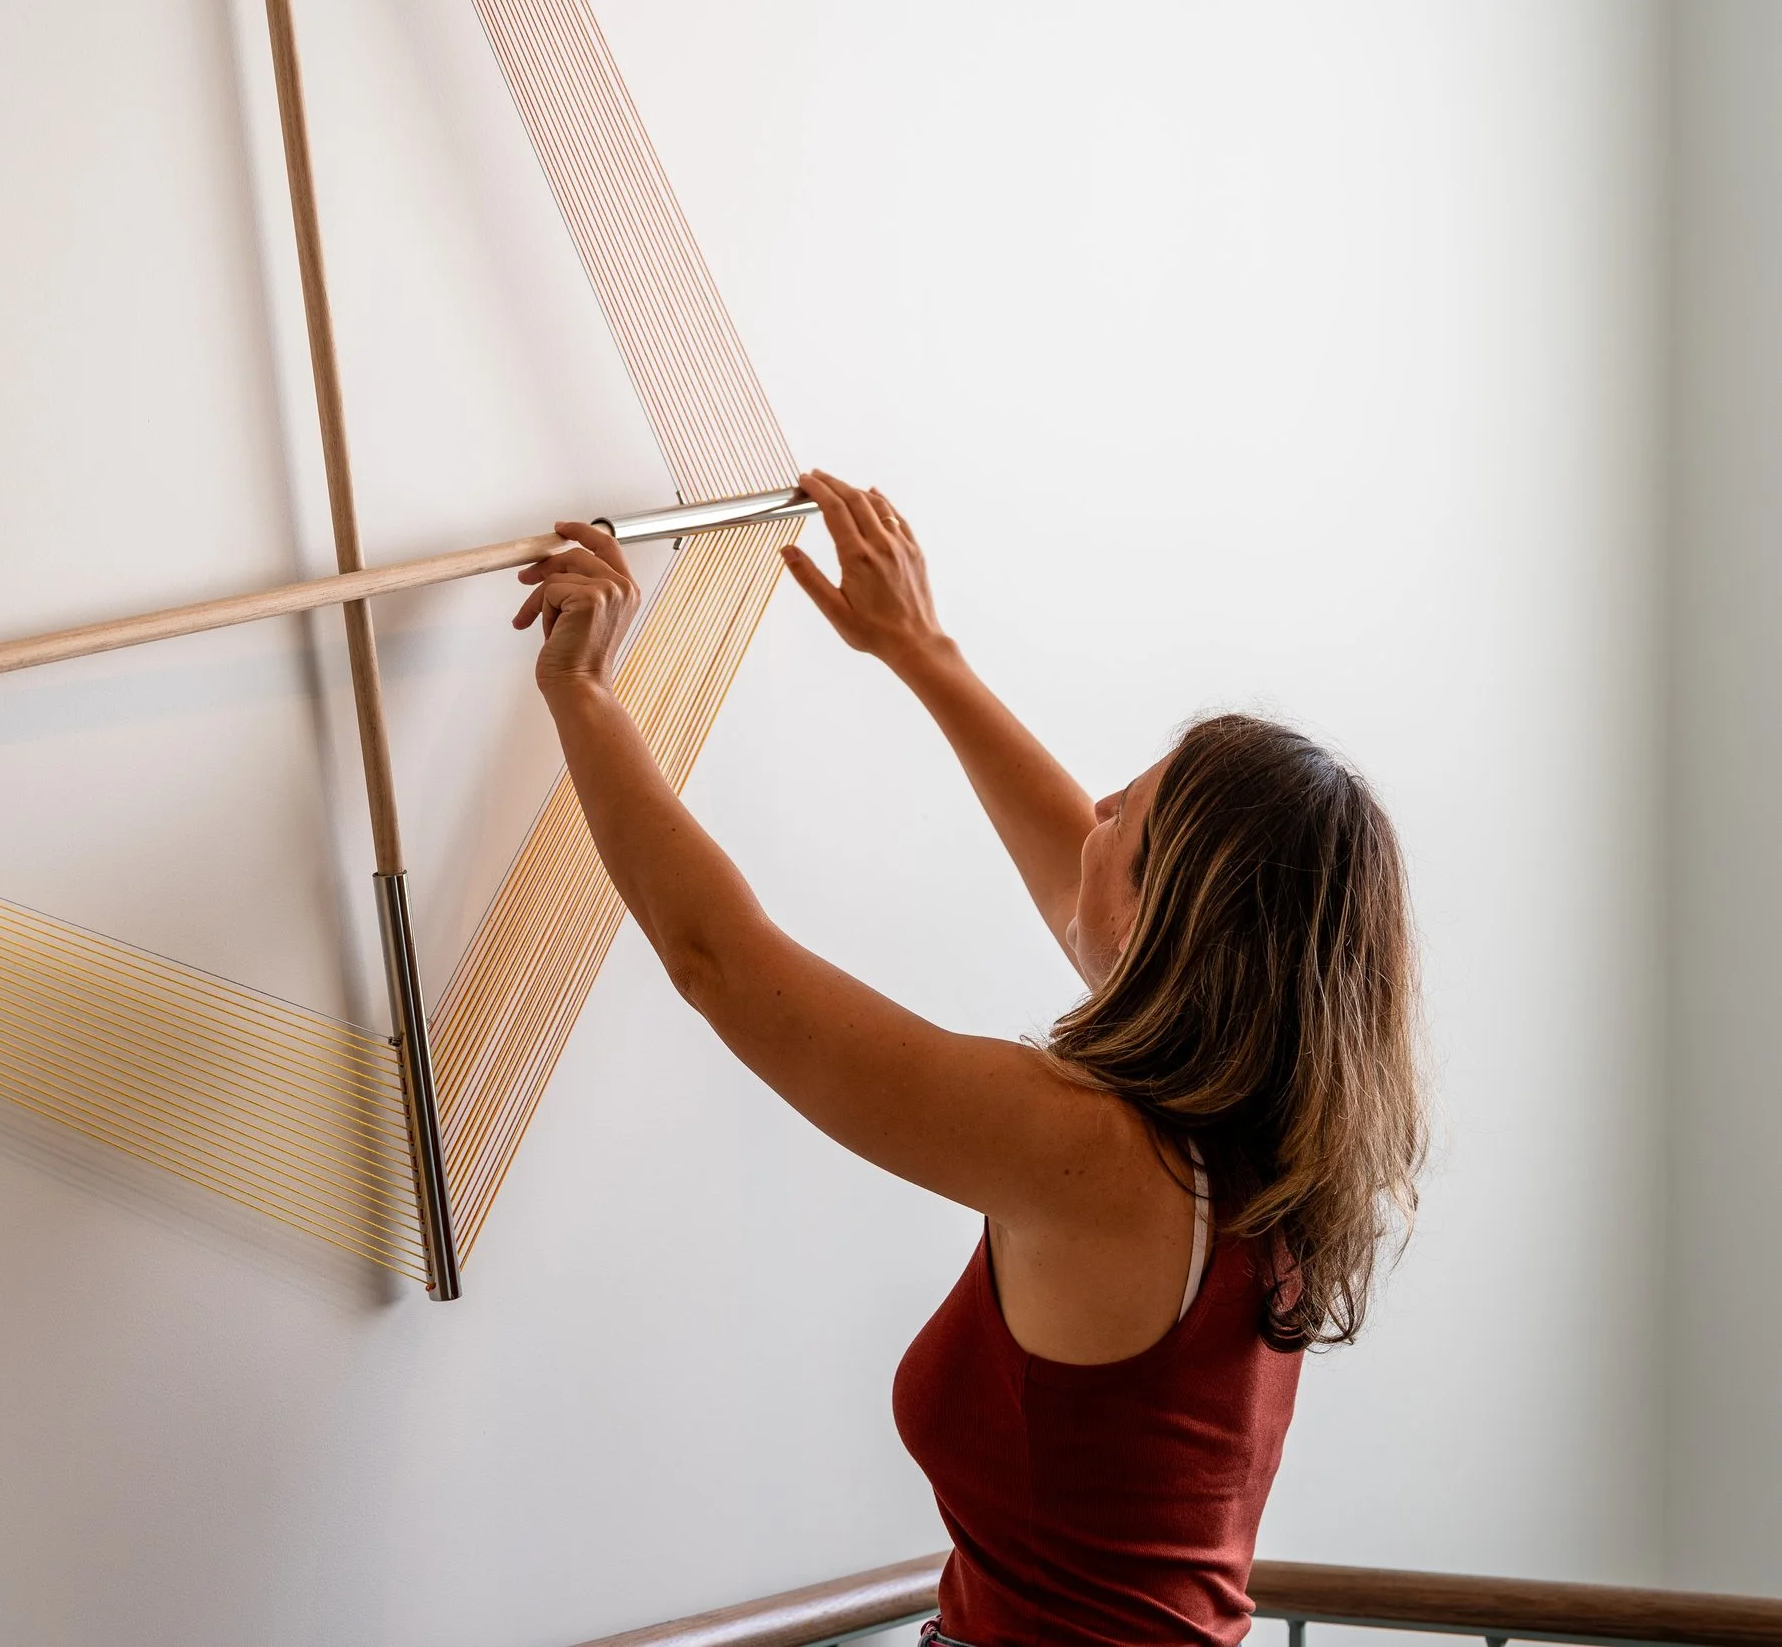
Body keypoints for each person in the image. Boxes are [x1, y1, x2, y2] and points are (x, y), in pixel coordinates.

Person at [511, 471, 1428, 1647]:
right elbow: (1082, 891)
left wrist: (583, 692)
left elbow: (719, 963)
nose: (1094, 801)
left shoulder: (1099, 1153)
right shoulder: (1258, 1143)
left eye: (1126, 813)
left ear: (1171, 926)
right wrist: (917, 647)